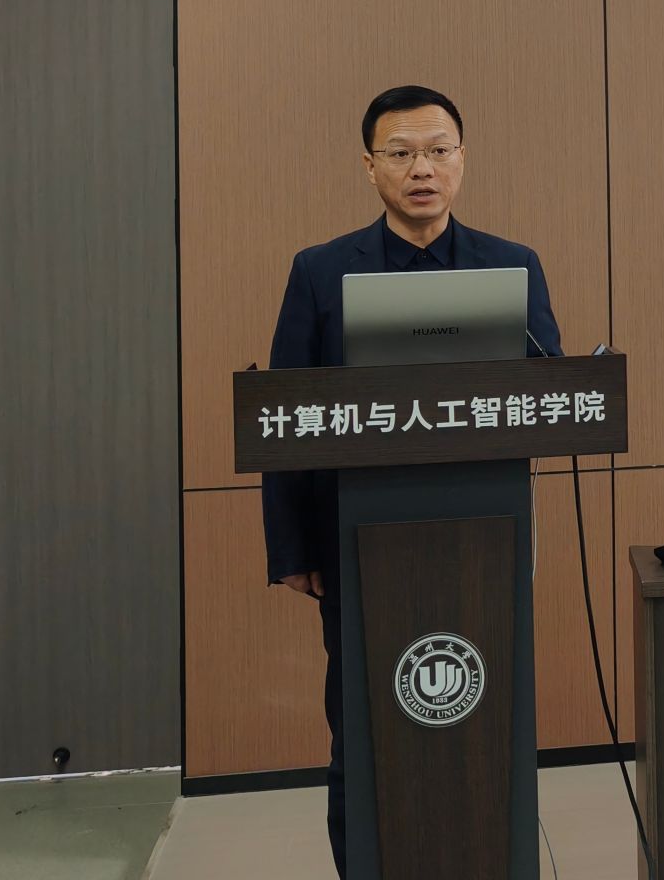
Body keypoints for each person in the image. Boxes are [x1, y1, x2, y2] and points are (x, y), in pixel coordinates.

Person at [261, 84, 560, 878]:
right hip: (355, 547)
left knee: (483, 726)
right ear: (370, 167)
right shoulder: (321, 271)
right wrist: (292, 548)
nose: (421, 169)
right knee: (362, 735)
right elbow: (286, 416)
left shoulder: (512, 265)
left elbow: (548, 393)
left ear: (463, 159)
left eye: (437, 151)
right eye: (400, 153)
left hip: (486, 545)